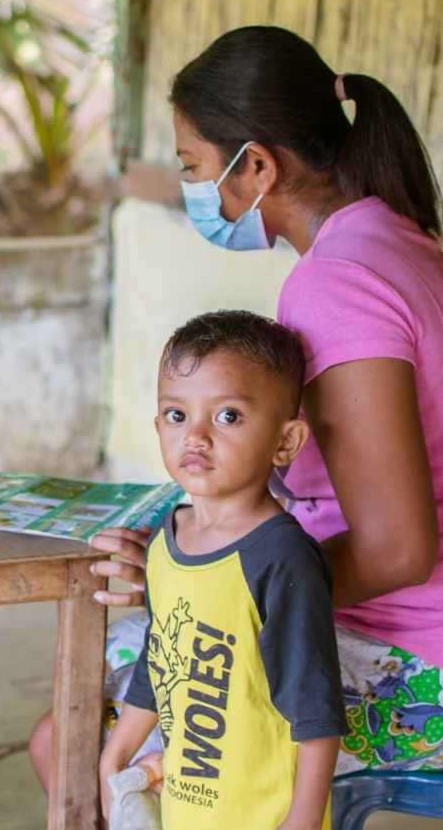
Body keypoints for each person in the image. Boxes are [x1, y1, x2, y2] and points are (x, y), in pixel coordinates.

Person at [35, 25, 443, 785]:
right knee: (124, 654)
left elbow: (397, 547)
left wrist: (202, 584)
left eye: (193, 168)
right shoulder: (391, 241)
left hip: (442, 681)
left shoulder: (340, 284)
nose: (191, 189)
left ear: (255, 168)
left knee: (73, 736)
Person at [100, 310, 344, 830]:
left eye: (228, 416)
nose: (195, 437)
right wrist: (113, 754)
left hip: (263, 814)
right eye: (176, 415)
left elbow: (316, 711)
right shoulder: (168, 540)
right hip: (190, 809)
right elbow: (157, 661)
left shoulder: (282, 558)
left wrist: (301, 821)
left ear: (286, 442)